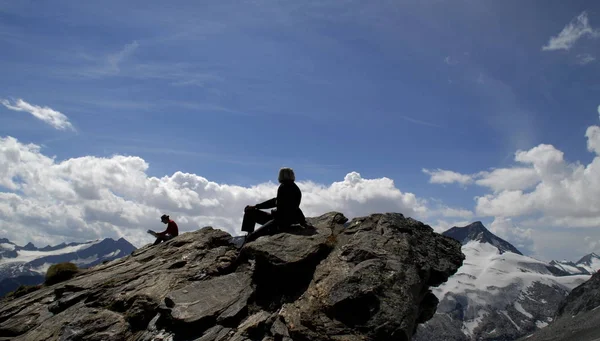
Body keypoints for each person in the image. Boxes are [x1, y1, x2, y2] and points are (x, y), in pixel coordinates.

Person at [241, 167, 307, 241]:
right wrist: (256, 206)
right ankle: (249, 234)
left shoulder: (284, 187)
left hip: (280, 223)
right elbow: (277, 201)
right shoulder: (293, 187)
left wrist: (257, 207)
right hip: (280, 219)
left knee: (253, 236)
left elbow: (281, 205)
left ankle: (249, 236)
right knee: (250, 212)